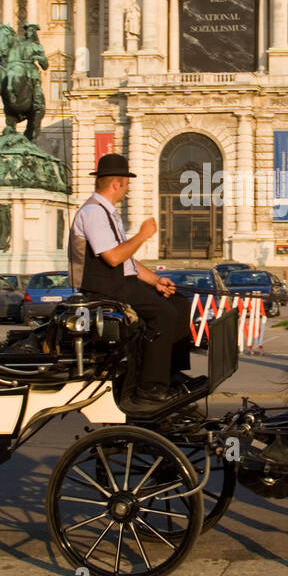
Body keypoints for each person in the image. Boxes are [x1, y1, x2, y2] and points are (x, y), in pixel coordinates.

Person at [69, 153, 195, 409]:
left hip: (118, 282)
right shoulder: (93, 212)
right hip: (101, 287)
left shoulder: (107, 212)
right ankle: (150, 387)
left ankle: (168, 373)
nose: (127, 190)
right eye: (126, 184)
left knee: (179, 303)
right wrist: (142, 236)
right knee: (163, 314)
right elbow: (114, 257)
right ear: (117, 184)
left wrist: (156, 280)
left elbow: (127, 260)